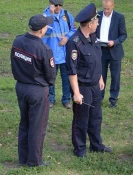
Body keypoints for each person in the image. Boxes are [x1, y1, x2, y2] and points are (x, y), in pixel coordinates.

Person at [66, 3, 112, 157]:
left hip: (95, 86)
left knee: (96, 117)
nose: (98, 23)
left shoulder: (93, 37)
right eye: (96, 21)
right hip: (83, 87)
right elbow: (72, 71)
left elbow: (96, 60)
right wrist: (76, 93)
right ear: (90, 24)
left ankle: (96, 145)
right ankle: (79, 149)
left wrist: (99, 77)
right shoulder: (74, 42)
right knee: (81, 119)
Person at [11, 14, 56, 166]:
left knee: (24, 124)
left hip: (21, 87)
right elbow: (51, 76)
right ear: (42, 30)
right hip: (37, 91)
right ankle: (34, 161)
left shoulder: (17, 41)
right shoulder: (44, 49)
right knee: (37, 127)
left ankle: (23, 158)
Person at [42, 0, 76, 109]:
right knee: (51, 78)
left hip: (65, 53)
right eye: (55, 5)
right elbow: (46, 32)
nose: (58, 7)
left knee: (66, 78)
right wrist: (51, 16)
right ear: (50, 3)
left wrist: (67, 38)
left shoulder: (66, 14)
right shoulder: (45, 15)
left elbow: (73, 30)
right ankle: (50, 99)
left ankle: (66, 99)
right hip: (52, 53)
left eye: (60, 5)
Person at [96, 0, 127, 108]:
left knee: (115, 77)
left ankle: (113, 100)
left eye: (108, 9)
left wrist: (114, 42)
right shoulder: (98, 15)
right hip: (101, 50)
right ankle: (99, 98)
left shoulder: (119, 17)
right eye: (104, 8)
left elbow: (123, 35)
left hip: (114, 51)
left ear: (113, 6)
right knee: (100, 75)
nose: (106, 11)